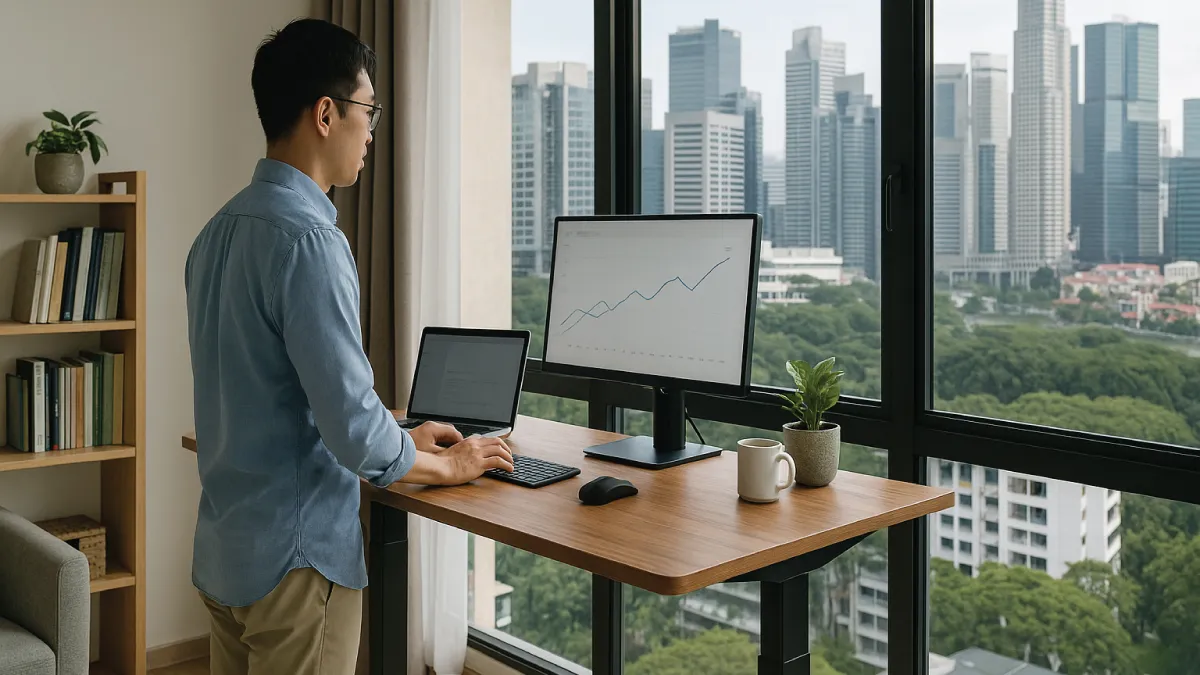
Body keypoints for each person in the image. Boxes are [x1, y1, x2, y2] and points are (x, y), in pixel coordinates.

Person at [183, 18, 514, 675]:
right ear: (327, 114)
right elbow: (352, 435)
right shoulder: (310, 240)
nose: (373, 130)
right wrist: (451, 465)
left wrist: (399, 430)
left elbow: (269, 393)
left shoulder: (216, 234)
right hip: (296, 562)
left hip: (226, 551)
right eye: (369, 110)